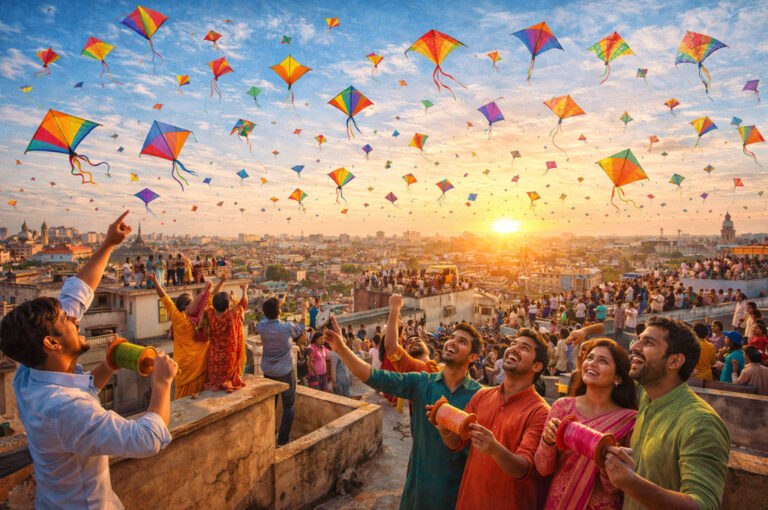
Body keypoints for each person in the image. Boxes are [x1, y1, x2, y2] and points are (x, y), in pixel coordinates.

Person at [0, 212, 178, 509]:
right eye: (66, 320)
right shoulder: (64, 409)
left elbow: (77, 293)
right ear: (52, 343)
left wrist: (108, 243)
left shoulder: (30, 373)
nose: (75, 319)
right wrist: (162, 382)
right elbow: (146, 439)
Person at [324, 316, 482, 510]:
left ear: (473, 357)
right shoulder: (422, 382)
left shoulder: (481, 397)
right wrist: (341, 349)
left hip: (454, 496)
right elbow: (376, 378)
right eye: (453, 337)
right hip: (417, 491)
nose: (452, 342)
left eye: (462, 341)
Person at [603, 316, 730, 510]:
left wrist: (631, 483)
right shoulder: (648, 395)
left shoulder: (700, 423)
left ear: (674, 361)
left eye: (648, 342)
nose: (635, 346)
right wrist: (584, 333)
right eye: (639, 339)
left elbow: (702, 504)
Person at [434, 329, 550, 510]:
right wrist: (444, 429)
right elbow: (457, 443)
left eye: (524, 348)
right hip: (469, 501)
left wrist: (495, 449)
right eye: (513, 344)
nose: (514, 349)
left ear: (537, 366)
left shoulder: (540, 412)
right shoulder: (482, 396)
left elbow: (524, 469)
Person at [536, 338, 637, 510]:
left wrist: (607, 467)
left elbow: (619, 487)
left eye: (602, 361)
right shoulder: (563, 407)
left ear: (618, 378)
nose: (592, 364)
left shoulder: (629, 421)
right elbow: (543, 468)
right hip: (558, 503)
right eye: (590, 358)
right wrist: (548, 441)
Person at [147, 271, 228, 398]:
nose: (197, 305)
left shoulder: (197, 317)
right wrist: (155, 282)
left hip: (197, 367)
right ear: (185, 307)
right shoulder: (180, 319)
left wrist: (222, 281)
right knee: (186, 401)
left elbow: (211, 297)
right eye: (193, 303)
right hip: (187, 369)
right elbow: (166, 300)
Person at [257, 294, 307, 446]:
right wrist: (304, 311)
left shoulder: (261, 326)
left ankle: (269, 435)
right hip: (285, 371)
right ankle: (283, 440)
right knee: (289, 406)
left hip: (268, 371)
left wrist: (276, 306)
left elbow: (268, 316)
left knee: (271, 404)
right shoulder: (286, 328)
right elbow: (301, 328)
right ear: (279, 312)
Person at [202, 280, 248, 393]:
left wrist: (220, 281)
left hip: (214, 355)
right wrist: (244, 289)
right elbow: (243, 303)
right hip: (228, 356)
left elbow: (210, 298)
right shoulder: (231, 315)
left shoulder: (210, 314)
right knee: (229, 374)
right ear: (228, 305)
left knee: (214, 374)